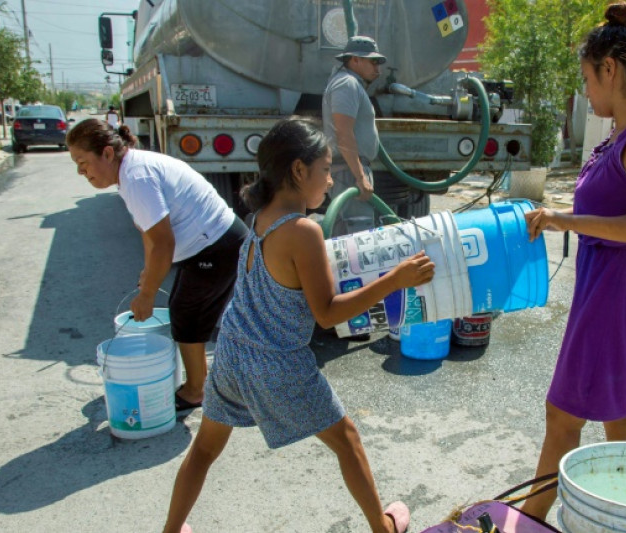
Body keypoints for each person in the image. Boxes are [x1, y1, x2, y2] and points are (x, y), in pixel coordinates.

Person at [160, 118, 433, 533]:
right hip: (275, 366)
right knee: (348, 441)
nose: (330, 180)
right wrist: (395, 279)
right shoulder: (303, 231)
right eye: (325, 169)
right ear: (299, 170)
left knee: (203, 451)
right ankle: (384, 530)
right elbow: (327, 313)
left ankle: (170, 531)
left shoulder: (257, 217)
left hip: (232, 356)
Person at [519, 2, 626, 521]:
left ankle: (529, 520)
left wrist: (567, 221)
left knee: (563, 415)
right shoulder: (622, 132)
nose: (586, 91)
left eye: (588, 78)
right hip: (610, 289)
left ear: (609, 69)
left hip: (624, 297)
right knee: (618, 418)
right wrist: (559, 216)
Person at [66, 119, 248, 411]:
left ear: (107, 154)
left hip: (216, 245)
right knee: (186, 310)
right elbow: (149, 232)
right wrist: (147, 273)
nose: (80, 171)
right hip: (215, 242)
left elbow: (163, 243)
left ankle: (196, 390)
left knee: (187, 314)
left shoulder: (136, 177)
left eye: (83, 162)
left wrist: (148, 294)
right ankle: (201, 382)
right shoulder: (129, 173)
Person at [322, 35, 386, 237]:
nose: (378, 68)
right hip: (349, 171)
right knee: (359, 236)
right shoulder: (346, 84)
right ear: (354, 60)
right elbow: (344, 133)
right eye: (372, 61)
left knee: (344, 237)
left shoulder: (349, 84)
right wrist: (359, 177)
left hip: (350, 168)